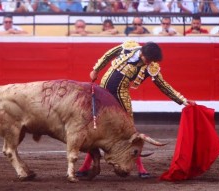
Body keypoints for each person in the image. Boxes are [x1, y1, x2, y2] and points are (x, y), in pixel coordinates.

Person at [76, 40, 196, 179]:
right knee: (95, 127)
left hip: (121, 95)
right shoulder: (129, 47)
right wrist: (96, 69)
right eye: (148, 59)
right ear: (142, 52)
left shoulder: (151, 67)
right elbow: (109, 54)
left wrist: (182, 100)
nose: (149, 63)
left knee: (130, 132)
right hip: (102, 92)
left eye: (151, 61)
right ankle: (85, 166)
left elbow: (163, 85)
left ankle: (141, 168)